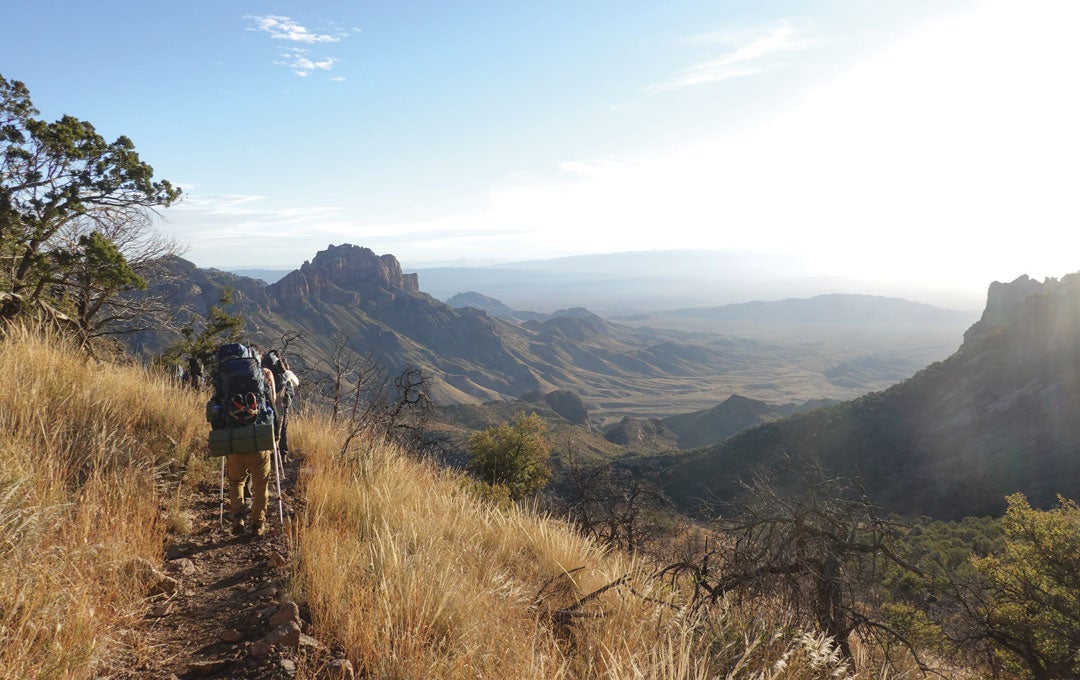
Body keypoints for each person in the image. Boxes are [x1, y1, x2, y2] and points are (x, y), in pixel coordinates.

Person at [225, 351, 276, 537]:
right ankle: (258, 524)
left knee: (236, 481)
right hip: (258, 441)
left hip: (234, 441)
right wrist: (276, 434)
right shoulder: (262, 378)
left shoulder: (227, 382)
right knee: (261, 485)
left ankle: (238, 515)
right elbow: (272, 407)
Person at [262, 349, 296, 463]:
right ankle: (282, 456)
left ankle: (266, 452)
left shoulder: (264, 371)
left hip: (267, 401)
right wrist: (288, 372)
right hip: (282, 402)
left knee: (267, 424)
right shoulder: (285, 373)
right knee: (283, 427)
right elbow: (297, 382)